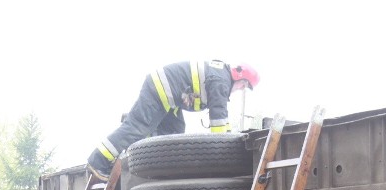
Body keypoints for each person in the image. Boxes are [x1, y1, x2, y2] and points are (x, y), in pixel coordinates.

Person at [86, 61, 260, 179]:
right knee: (138, 127)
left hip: (170, 99)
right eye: (244, 85)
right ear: (239, 77)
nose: (241, 89)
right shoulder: (221, 81)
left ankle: (155, 171)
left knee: (173, 134)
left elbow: (219, 120)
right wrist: (225, 148)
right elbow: (218, 119)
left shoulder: (219, 75)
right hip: (161, 89)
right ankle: (98, 160)